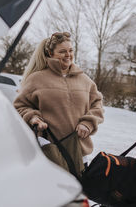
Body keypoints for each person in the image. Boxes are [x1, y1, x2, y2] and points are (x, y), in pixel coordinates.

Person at [13, 32, 104, 167]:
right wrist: (33, 118)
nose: (68, 55)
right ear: (50, 53)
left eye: (70, 50)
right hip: (48, 151)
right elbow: (20, 106)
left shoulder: (85, 80)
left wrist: (88, 123)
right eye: (62, 51)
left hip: (79, 153)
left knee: (78, 188)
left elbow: (97, 105)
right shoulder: (37, 79)